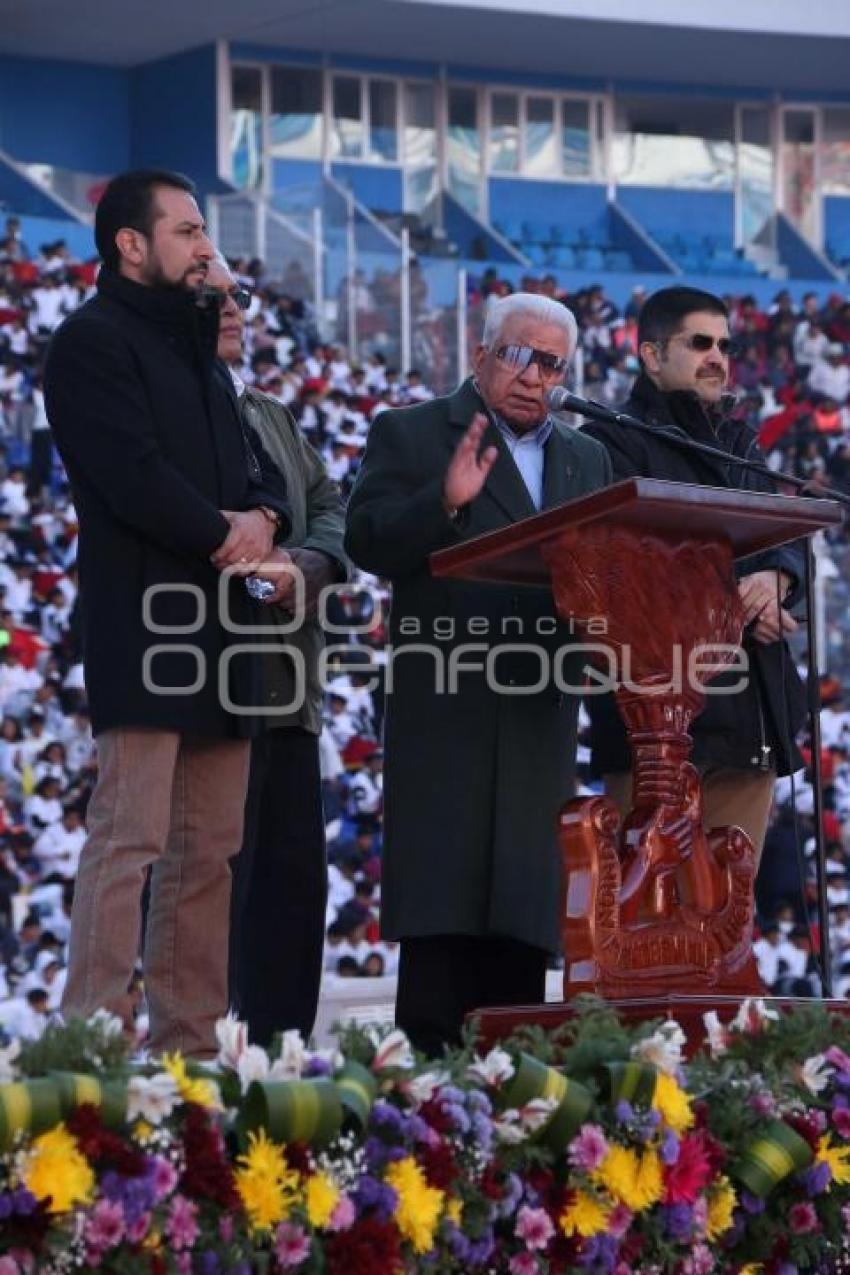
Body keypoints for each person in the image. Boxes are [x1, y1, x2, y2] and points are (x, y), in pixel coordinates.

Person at [43, 169, 291, 1058]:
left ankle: (188, 1057)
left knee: (208, 857)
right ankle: (91, 1053)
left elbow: (259, 465)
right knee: (130, 844)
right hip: (145, 627)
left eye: (206, 235)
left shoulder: (200, 347)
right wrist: (231, 534)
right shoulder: (90, 343)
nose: (205, 251)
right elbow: (133, 473)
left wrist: (265, 518)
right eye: (187, 233)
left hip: (224, 635)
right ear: (132, 244)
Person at [345, 292, 612, 1055]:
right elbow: (367, 537)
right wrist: (445, 504)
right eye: (519, 355)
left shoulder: (587, 457)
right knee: (443, 914)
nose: (534, 375)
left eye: (551, 363)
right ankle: (425, 1107)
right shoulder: (414, 431)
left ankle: (512, 1114)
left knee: (523, 928)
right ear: (482, 354)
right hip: (448, 714)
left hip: (538, 717)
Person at [581, 286, 805, 861]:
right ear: (650, 355)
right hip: (656, 732)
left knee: (728, 930)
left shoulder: (739, 443)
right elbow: (625, 570)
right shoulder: (608, 444)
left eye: (725, 345)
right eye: (699, 342)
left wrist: (776, 583)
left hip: (750, 723)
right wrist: (739, 597)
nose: (717, 357)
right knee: (648, 925)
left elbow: (787, 539)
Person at [205, 256, 348, 1046]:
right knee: (215, 891)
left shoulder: (270, 413)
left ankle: (285, 1068)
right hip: (211, 689)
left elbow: (331, 507)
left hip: (290, 692)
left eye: (241, 296)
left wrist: (309, 564)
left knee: (294, 895)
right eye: (216, 297)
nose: (235, 309)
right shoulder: (176, 407)